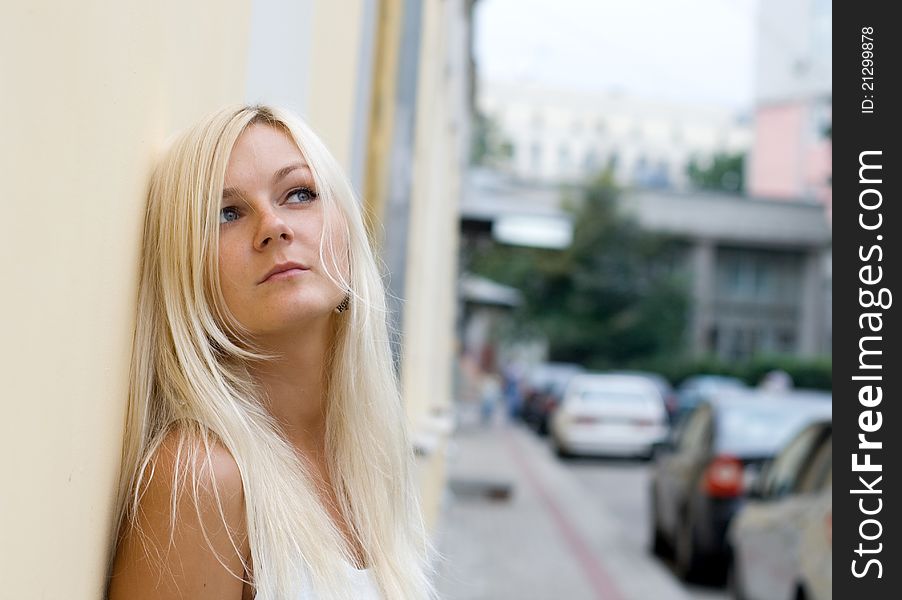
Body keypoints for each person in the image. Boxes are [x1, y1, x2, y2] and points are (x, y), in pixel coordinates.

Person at [106, 105, 438, 599]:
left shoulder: (368, 457)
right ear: (185, 270)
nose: (273, 226)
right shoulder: (201, 478)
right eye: (227, 213)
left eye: (299, 194)